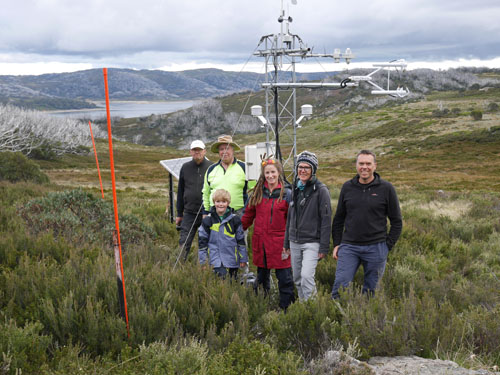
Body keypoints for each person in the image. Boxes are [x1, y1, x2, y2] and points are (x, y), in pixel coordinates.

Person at [331, 150, 403, 299]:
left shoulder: (386, 188)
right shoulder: (347, 187)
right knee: (340, 287)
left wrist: (386, 246)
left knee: (371, 292)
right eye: (361, 163)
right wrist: (337, 244)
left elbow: (396, 221)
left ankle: (364, 320)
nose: (365, 167)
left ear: (375, 166)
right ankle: (337, 319)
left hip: (376, 247)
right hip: (349, 247)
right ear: (356, 165)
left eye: (368, 164)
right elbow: (339, 218)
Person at [241, 157, 295, 310]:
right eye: (267, 173)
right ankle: (263, 308)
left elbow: (292, 221)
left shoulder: (287, 194)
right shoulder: (258, 193)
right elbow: (247, 216)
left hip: (281, 245)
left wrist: (290, 243)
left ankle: (287, 310)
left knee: (285, 279)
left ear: (279, 173)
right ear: (263, 175)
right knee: (262, 278)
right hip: (261, 243)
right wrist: (236, 231)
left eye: (273, 172)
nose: (270, 176)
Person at [284, 151, 332, 301]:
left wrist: (324, 247)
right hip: (294, 241)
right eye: (300, 167)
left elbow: (326, 220)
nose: (302, 170)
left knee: (306, 277)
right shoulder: (296, 189)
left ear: (313, 170)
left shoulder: (321, 191)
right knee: (297, 279)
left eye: (307, 167)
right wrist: (286, 242)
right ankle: (304, 308)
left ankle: (313, 310)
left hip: (312, 242)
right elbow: (290, 217)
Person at [198, 189, 248, 279]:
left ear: (228, 203)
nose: (221, 204)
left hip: (232, 259)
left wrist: (243, 258)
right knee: (221, 281)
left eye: (224, 202)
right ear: (214, 202)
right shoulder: (207, 221)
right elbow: (202, 243)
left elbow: (241, 240)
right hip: (215, 260)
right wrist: (203, 262)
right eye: (218, 201)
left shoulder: (235, 220)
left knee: (232, 283)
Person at [176, 140, 213, 260]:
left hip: (207, 213)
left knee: (207, 242)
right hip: (188, 213)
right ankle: (180, 266)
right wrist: (179, 214)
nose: (197, 152)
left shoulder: (212, 167)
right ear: (191, 152)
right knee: (184, 241)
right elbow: (181, 190)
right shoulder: (185, 167)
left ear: (204, 151)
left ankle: (206, 268)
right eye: (194, 150)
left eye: (199, 150)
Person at [202, 135, 248, 217]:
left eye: (227, 148)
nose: (224, 151)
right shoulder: (211, 169)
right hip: (215, 214)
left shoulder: (244, 167)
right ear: (218, 152)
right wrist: (205, 212)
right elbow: (206, 192)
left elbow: (254, 190)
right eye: (221, 149)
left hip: (239, 214)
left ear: (233, 150)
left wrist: (248, 211)